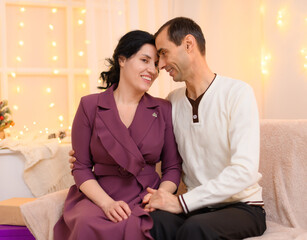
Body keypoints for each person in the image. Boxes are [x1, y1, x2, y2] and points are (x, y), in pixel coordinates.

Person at [142, 17, 267, 239]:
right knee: (151, 221)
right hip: (198, 208)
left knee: (196, 228)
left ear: (188, 44)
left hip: (242, 207)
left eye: (164, 53)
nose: (160, 65)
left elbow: (244, 170)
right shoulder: (172, 101)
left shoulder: (238, 93)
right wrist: (92, 151)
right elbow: (143, 141)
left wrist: (182, 202)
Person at [54, 30, 182, 240]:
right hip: (100, 196)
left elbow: (172, 167)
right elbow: (81, 167)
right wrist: (106, 203)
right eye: (144, 60)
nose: (152, 70)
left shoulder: (163, 108)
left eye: (156, 64)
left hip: (146, 195)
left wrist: (160, 196)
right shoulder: (90, 105)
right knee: (86, 223)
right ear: (122, 60)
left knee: (147, 225)